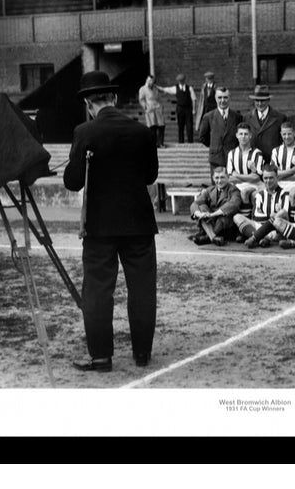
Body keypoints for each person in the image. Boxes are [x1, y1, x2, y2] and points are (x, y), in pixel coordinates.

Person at [64, 71, 158, 371]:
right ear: (114, 99)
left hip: (99, 227)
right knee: (142, 290)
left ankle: (101, 356)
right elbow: (150, 176)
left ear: (89, 104)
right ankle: (142, 354)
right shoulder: (142, 132)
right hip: (139, 224)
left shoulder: (84, 132)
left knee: (98, 292)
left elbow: (73, 182)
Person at [234, 164, 292, 248]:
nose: (268, 181)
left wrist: (273, 215)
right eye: (265, 178)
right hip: (260, 226)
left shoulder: (285, 194)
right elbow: (256, 217)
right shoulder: (259, 195)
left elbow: (285, 215)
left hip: (276, 229)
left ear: (277, 177)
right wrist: (272, 215)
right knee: (237, 217)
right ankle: (263, 238)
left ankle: (255, 238)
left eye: (271, 178)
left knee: (281, 213)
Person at [189, 167, 242, 247]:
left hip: (225, 226)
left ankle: (207, 237)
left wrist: (213, 214)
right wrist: (200, 214)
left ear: (228, 178)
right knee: (202, 206)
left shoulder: (233, 190)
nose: (219, 181)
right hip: (210, 222)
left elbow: (234, 204)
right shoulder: (209, 190)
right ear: (213, 178)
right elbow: (195, 203)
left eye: (222, 177)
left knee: (224, 217)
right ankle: (213, 237)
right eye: (217, 178)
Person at [198, 86, 243, 181]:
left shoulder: (237, 117)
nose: (223, 100)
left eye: (225, 97)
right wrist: (215, 145)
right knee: (217, 187)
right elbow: (202, 137)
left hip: (232, 159)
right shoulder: (208, 117)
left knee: (232, 186)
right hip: (216, 159)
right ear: (215, 98)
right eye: (220, 97)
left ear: (230, 98)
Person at [226, 122, 265, 217]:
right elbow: (231, 178)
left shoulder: (257, 153)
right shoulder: (232, 153)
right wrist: (249, 176)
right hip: (237, 185)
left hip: (254, 185)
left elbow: (256, 178)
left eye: (246, 134)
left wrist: (238, 175)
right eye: (241, 134)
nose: (243, 137)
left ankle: (247, 220)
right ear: (237, 136)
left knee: (245, 192)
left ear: (250, 136)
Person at [271, 120, 295, 204]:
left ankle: (293, 217)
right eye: (284, 134)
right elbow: (274, 173)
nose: (287, 137)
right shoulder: (276, 151)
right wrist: (292, 171)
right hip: (280, 183)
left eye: (289, 134)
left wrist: (280, 176)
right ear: (281, 134)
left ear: (294, 133)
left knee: (292, 195)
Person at [244, 85, 285, 159]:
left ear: (268, 100)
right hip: (252, 160)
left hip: (272, 161)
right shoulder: (247, 118)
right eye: (257, 100)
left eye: (262, 100)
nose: (259, 103)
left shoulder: (280, 118)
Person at [160, 73, 196, 143]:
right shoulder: (175, 88)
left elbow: (193, 99)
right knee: (180, 126)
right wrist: (157, 87)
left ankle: (190, 141)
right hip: (180, 109)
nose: (181, 82)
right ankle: (181, 141)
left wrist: (194, 109)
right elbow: (166, 89)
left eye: (182, 81)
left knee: (189, 126)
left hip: (188, 109)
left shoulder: (190, 88)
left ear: (184, 80)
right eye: (179, 81)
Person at [138, 74, 166, 148]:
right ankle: (153, 144)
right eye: (149, 80)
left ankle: (161, 143)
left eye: (151, 80)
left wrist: (161, 106)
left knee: (161, 126)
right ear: (146, 80)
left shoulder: (155, 88)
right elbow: (141, 99)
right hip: (150, 109)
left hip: (158, 108)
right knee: (152, 127)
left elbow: (160, 96)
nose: (150, 82)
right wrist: (145, 106)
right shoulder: (143, 89)